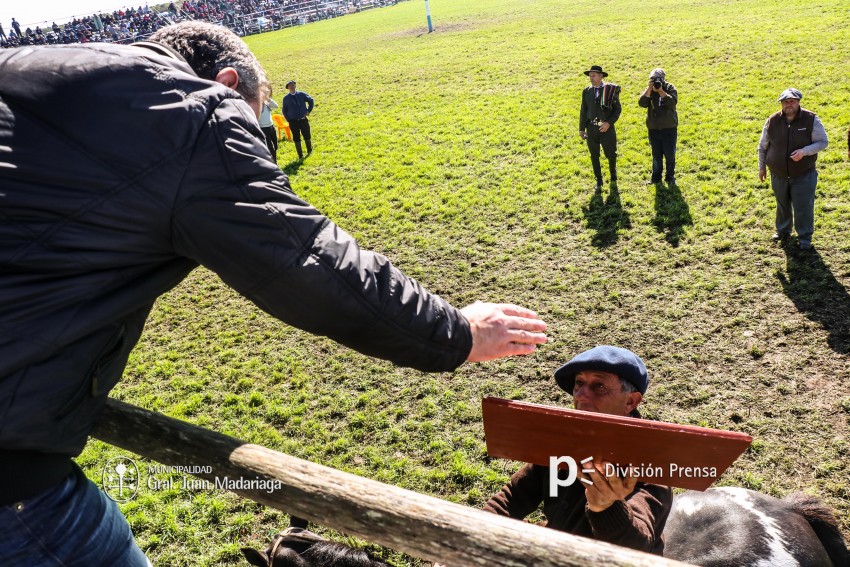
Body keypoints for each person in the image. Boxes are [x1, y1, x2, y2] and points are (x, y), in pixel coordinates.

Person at [0, 22, 548, 566]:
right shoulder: (192, 114)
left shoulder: (27, 69)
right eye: (258, 113)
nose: (259, 129)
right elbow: (309, 261)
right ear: (227, 81)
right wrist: (456, 332)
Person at [482, 346, 672, 555]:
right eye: (579, 384)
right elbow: (512, 498)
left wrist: (606, 507)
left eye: (599, 386)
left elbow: (636, 546)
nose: (581, 396)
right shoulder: (561, 442)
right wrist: (472, 534)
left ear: (630, 401)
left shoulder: (653, 463)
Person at [758, 88, 828, 250]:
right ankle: (783, 231)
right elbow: (762, 147)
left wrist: (804, 152)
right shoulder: (772, 120)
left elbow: (823, 142)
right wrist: (762, 167)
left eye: (792, 101)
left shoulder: (811, 119)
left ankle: (804, 238)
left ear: (798, 102)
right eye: (785, 101)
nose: (789, 104)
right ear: (781, 104)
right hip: (778, 174)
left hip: (804, 174)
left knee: (803, 206)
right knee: (782, 204)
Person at [579, 65, 621, 189]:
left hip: (606, 128)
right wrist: (582, 128)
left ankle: (613, 176)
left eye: (594, 75)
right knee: (594, 154)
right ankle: (599, 180)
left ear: (601, 76)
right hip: (591, 128)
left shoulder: (610, 90)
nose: (591, 78)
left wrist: (609, 123)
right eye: (590, 76)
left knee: (611, 153)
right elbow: (583, 110)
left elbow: (617, 110)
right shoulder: (587, 91)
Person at [638, 68, 678, 185]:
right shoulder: (649, 90)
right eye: (653, 79)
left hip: (669, 128)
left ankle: (670, 177)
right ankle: (655, 178)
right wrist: (649, 89)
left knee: (670, 154)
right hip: (654, 128)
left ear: (663, 79)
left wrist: (661, 91)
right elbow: (642, 103)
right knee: (656, 155)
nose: (655, 81)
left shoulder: (669, 88)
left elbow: (672, 102)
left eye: (658, 79)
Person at [282, 79, 314, 160]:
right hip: (293, 122)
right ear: (288, 88)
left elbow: (311, 100)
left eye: (293, 85)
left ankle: (309, 151)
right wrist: (289, 119)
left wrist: (308, 111)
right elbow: (284, 110)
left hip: (303, 119)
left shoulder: (301, 94)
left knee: (307, 135)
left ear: (295, 85)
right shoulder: (286, 98)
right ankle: (300, 155)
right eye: (290, 86)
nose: (292, 87)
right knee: (296, 138)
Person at [259, 87, 280, 160]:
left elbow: (276, 106)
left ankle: (273, 158)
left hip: (271, 126)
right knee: (270, 147)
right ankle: (274, 163)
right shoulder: (256, 103)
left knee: (275, 144)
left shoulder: (267, 102)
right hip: (262, 128)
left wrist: (268, 99)